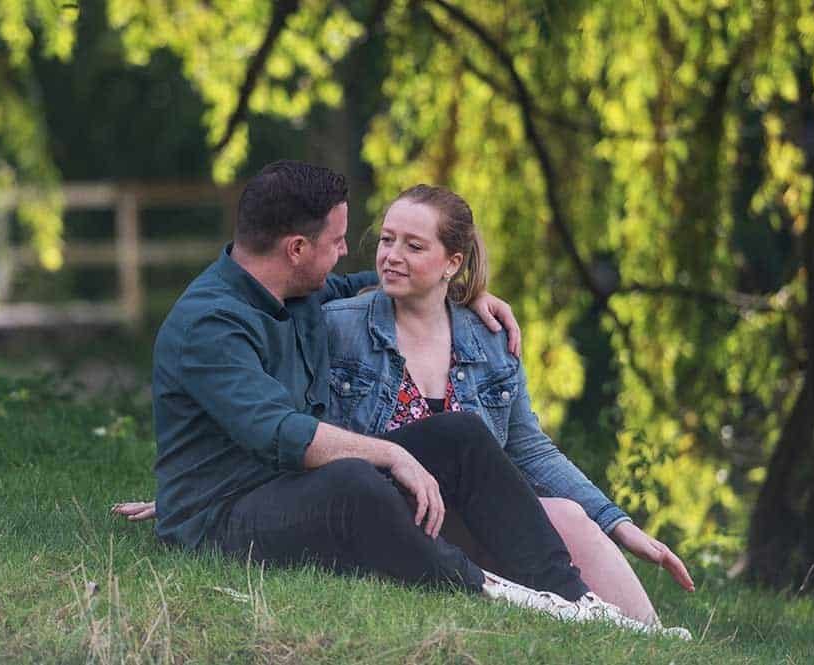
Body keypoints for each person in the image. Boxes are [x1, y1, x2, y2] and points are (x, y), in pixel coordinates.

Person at [113, 161, 690, 638]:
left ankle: (576, 600)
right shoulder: (210, 325)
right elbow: (278, 431)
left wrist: (473, 293)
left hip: (280, 485)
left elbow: (370, 285)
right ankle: (494, 591)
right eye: (338, 241)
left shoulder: (296, 293)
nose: (347, 253)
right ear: (295, 248)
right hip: (225, 518)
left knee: (462, 432)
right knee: (356, 479)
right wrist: (387, 454)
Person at [320, 184, 694, 625]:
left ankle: (647, 639)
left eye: (413, 246)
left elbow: (530, 450)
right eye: (387, 239)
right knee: (461, 440)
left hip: (471, 520)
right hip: (386, 514)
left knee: (569, 513)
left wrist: (619, 525)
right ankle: (583, 608)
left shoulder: (490, 338)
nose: (391, 255)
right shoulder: (338, 327)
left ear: (452, 263)